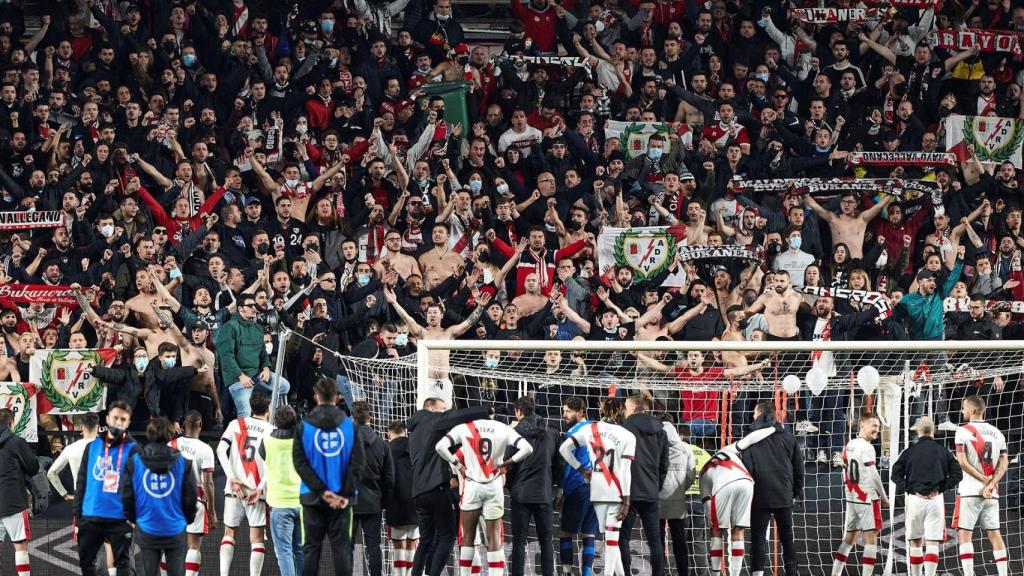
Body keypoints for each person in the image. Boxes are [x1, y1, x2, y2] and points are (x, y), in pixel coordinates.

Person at [436, 403, 534, 576]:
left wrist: (458, 465)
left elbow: (440, 447)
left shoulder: (464, 427)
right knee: (494, 537)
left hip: (472, 486)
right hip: (494, 485)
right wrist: (506, 463)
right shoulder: (503, 428)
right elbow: (527, 448)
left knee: (468, 538)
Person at [408, 398, 490, 576]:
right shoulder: (431, 419)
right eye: (443, 408)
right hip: (436, 488)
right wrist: (487, 410)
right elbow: (457, 416)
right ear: (431, 408)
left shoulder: (415, 430)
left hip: (418, 492)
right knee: (448, 535)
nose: (445, 411)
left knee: (426, 540)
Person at [292, 377, 365, 576]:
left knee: (311, 551)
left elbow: (300, 464)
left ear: (316, 397)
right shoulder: (350, 427)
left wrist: (322, 492)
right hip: (342, 502)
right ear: (338, 397)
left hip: (312, 499)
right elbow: (357, 464)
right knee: (342, 551)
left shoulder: (303, 427)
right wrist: (343, 494)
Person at [558, 399, 636, 576]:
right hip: (615, 490)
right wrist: (626, 499)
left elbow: (563, 450)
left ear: (602, 410)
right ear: (622, 411)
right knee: (610, 540)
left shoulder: (588, 429)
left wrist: (581, 470)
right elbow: (625, 471)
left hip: (595, 488)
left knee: (607, 539)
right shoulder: (628, 436)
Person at [122, 417, 198, 576]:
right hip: (174, 527)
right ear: (170, 435)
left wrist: (134, 518)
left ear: (149, 434)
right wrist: (187, 519)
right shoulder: (183, 462)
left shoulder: (134, 462)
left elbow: (127, 495)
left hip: (147, 527)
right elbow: (190, 496)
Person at [700, 427, 777, 576]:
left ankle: (715, 573)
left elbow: (706, 502)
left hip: (723, 485)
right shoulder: (728, 449)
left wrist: (714, 522)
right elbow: (750, 439)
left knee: (716, 530)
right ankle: (735, 574)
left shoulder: (703, 472)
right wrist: (773, 428)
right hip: (746, 482)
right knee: (738, 530)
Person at [891, 416, 963, 576]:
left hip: (915, 499)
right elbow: (958, 474)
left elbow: (895, 475)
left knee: (915, 541)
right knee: (932, 543)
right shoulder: (944, 451)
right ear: (934, 431)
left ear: (917, 430)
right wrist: (941, 488)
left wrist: (910, 488)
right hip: (935, 500)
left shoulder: (908, 452)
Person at [74, 401, 137, 576]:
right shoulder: (92, 447)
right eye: (115, 417)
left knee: (123, 561)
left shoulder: (134, 449)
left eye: (123, 419)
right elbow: (82, 482)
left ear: (128, 423)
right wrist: (78, 518)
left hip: (119, 517)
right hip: (92, 515)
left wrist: (133, 516)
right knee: (87, 562)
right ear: (107, 419)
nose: (118, 422)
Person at [216, 390, 275, 576]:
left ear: (251, 406)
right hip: (256, 491)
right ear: (268, 408)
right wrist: (260, 487)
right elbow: (272, 463)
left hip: (234, 488)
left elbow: (220, 450)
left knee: (228, 534)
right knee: (256, 540)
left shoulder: (236, 424)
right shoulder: (271, 430)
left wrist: (231, 478)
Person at [742, 401, 803, 576]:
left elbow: (746, 467)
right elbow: (799, 469)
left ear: (759, 414)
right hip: (783, 495)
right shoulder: (788, 438)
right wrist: (794, 493)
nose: (752, 416)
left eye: (754, 412)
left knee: (758, 540)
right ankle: (791, 573)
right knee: (787, 539)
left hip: (759, 496)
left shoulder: (750, 439)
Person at [953, 396, 1010, 576]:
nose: (962, 410)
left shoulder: (962, 431)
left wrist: (984, 480)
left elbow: (962, 462)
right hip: (992, 493)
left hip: (970, 491)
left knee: (964, 534)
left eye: (964, 407)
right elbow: (1004, 462)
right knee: (995, 534)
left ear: (972, 410)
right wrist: (992, 483)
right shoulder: (997, 432)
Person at [506, 396, 560, 576]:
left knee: (519, 541)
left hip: (520, 494)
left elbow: (508, 464)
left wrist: (512, 487)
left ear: (519, 412)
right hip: (544, 493)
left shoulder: (513, 433)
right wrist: (554, 487)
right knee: (546, 540)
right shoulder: (552, 432)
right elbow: (559, 465)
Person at [831, 412, 889, 576]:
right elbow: (874, 475)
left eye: (878, 426)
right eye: (874, 425)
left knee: (849, 539)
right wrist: (884, 498)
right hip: (867, 498)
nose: (877, 429)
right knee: (871, 539)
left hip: (852, 498)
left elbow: (845, 472)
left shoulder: (850, 444)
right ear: (862, 425)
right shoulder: (867, 447)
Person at [215, 295, 291, 418]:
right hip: (237, 379)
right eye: (250, 306)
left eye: (254, 305)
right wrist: (241, 376)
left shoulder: (258, 328)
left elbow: (263, 353)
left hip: (256, 375)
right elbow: (226, 357)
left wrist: (266, 368)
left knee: (284, 386)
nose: (254, 308)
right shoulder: (229, 327)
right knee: (245, 411)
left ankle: (274, 420)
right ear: (240, 309)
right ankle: (244, 430)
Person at [619, 394, 669, 576]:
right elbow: (664, 463)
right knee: (655, 541)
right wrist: (656, 486)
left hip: (628, 492)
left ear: (633, 408)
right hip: (650, 491)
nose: (624, 410)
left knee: (622, 539)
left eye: (625, 406)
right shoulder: (661, 431)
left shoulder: (624, 430)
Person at [168, 411, 217, 576]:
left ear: (183, 425)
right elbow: (208, 483)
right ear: (200, 426)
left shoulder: (170, 445)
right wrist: (212, 512)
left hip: (171, 501)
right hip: (195, 500)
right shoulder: (205, 449)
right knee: (194, 546)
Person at [351, 400, 395, 576]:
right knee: (374, 547)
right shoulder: (382, 445)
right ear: (371, 417)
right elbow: (389, 479)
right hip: (373, 502)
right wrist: (384, 503)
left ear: (352, 418)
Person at [260, 405, 304, 576]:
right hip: (302, 503)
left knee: (284, 552)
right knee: (300, 551)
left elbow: (262, 455)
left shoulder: (267, 441)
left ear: (275, 422)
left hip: (279, 505)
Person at [557, 397, 598, 576]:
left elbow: (567, 464)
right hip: (598, 486)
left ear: (580, 412)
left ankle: (567, 573)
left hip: (578, 486)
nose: (564, 415)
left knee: (566, 532)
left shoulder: (573, 432)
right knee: (589, 533)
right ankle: (587, 574)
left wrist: (561, 490)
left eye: (568, 411)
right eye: (563, 411)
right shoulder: (597, 428)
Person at [0, 407, 38, 576]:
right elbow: (33, 468)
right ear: (11, 423)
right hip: (13, 501)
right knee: (20, 545)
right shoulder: (17, 442)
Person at [658, 412, 696, 576]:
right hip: (677, 499)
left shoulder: (654, 445)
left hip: (657, 499)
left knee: (657, 541)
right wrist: (680, 488)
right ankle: (683, 573)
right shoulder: (685, 447)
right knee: (679, 540)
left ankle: (659, 572)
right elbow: (691, 474)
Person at [385, 421, 419, 576]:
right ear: (406, 433)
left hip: (395, 502)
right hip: (415, 501)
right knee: (412, 543)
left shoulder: (386, 450)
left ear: (388, 435)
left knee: (398, 545)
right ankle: (410, 573)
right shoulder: (416, 447)